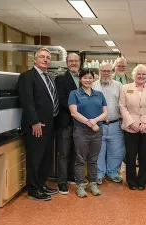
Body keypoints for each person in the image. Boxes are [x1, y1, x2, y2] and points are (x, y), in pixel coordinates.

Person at [18, 48, 59, 201]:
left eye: (48, 57)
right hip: (36, 126)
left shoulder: (49, 77)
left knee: (45, 158)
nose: (45, 59)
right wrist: (34, 121)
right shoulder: (27, 77)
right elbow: (27, 101)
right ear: (34, 59)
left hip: (50, 125)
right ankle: (33, 190)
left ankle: (41, 184)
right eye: (42, 57)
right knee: (35, 158)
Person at [119, 64, 146, 190]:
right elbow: (122, 106)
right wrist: (131, 123)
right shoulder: (125, 88)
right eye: (138, 74)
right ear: (134, 75)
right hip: (130, 128)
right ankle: (131, 181)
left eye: (144, 74)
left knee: (145, 155)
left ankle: (142, 180)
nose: (141, 76)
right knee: (131, 155)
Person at [68, 69, 107, 197]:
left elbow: (105, 113)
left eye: (90, 78)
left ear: (93, 79)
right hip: (81, 131)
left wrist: (95, 121)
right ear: (80, 79)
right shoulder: (74, 94)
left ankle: (93, 183)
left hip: (97, 131)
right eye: (85, 78)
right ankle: (80, 185)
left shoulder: (99, 94)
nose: (88, 80)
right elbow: (74, 113)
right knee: (80, 159)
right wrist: (89, 123)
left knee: (93, 159)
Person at [92, 62, 125, 185]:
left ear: (112, 72)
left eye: (108, 71)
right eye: (103, 71)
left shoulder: (119, 85)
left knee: (116, 151)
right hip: (98, 125)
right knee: (98, 151)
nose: (106, 73)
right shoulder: (93, 85)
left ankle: (113, 173)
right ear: (99, 72)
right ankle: (99, 174)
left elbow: (124, 103)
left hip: (115, 124)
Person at [55, 53, 80, 194]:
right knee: (64, 153)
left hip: (81, 123)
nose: (73, 63)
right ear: (66, 62)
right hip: (66, 121)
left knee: (76, 152)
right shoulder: (60, 79)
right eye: (71, 61)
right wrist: (76, 110)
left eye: (76, 61)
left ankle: (71, 176)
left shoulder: (84, 78)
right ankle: (62, 183)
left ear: (80, 62)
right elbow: (61, 99)